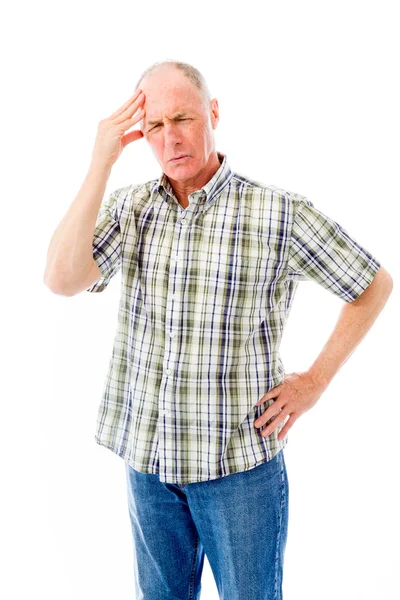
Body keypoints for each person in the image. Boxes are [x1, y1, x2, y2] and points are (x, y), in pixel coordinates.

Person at [43, 60, 393, 600]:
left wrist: (315, 380)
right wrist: (99, 164)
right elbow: (61, 278)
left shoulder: (278, 212)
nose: (171, 137)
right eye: (155, 126)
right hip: (149, 465)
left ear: (213, 113)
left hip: (237, 469)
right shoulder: (131, 208)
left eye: (183, 117)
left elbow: (372, 284)